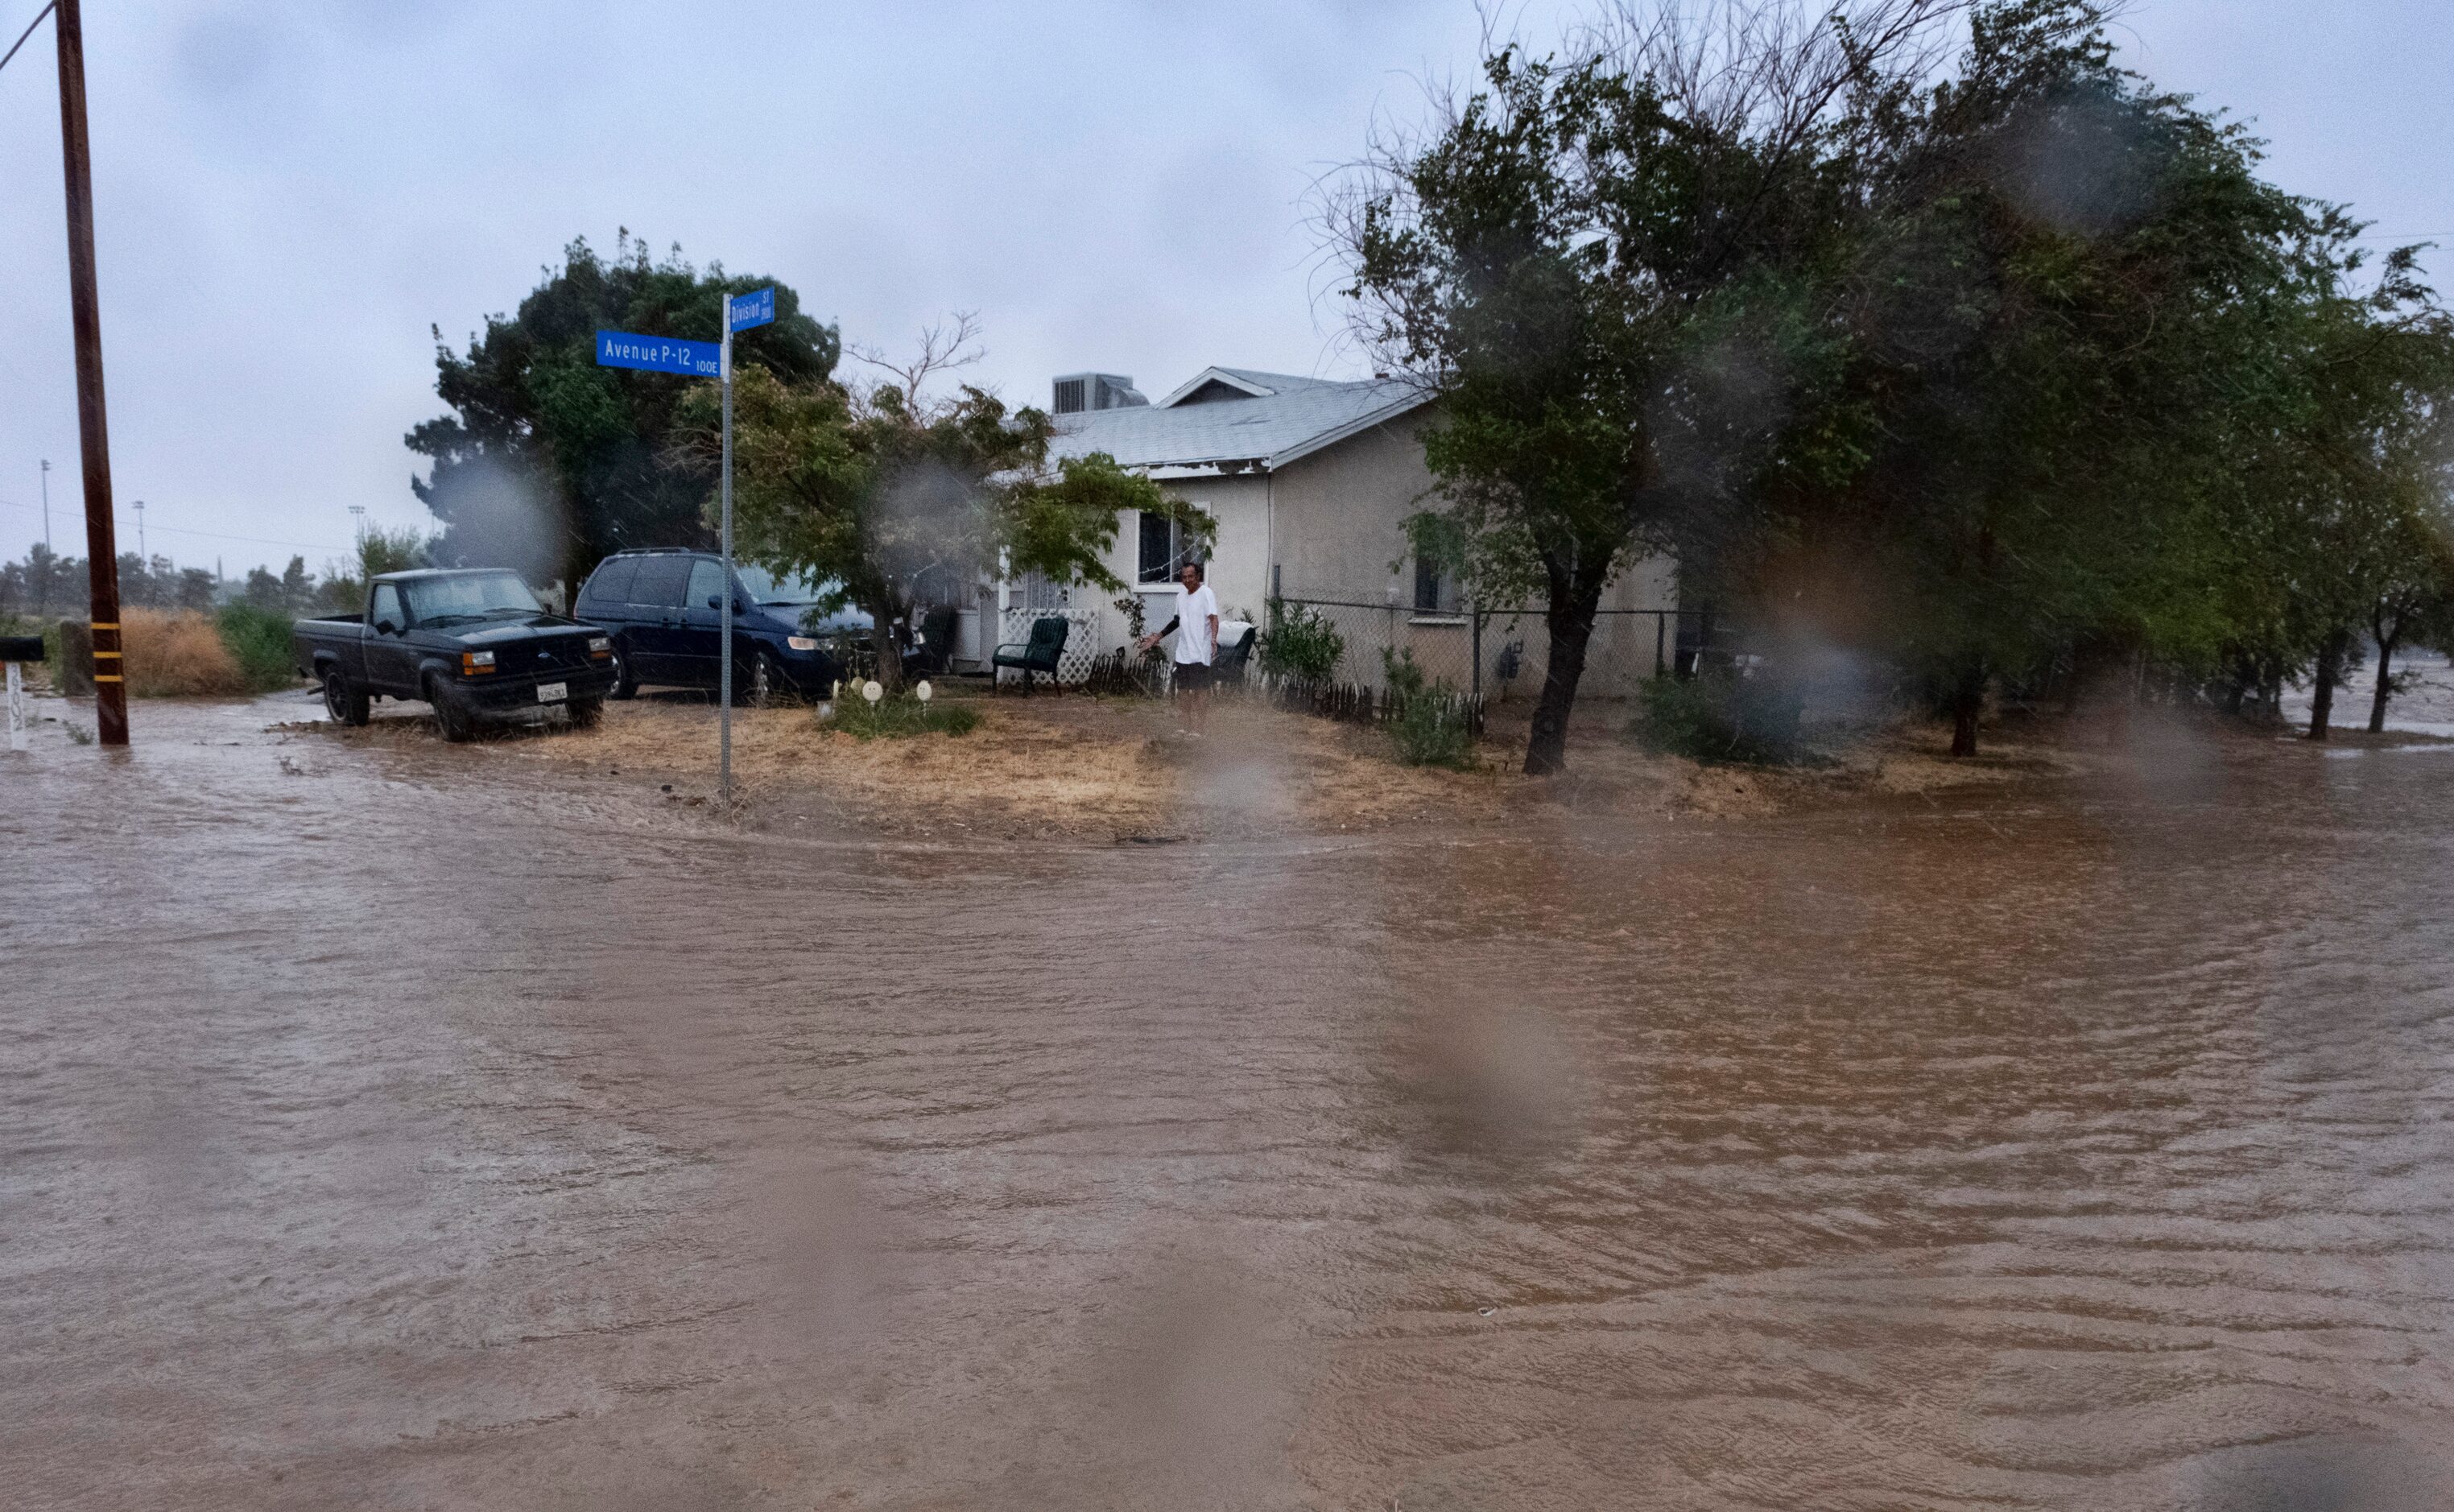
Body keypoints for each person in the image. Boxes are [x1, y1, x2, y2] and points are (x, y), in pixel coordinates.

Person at [1138, 560, 1219, 731]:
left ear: (1198, 576)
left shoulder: (1206, 593)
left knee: (1200, 690)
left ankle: (1199, 729)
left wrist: (1213, 639)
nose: (1187, 580)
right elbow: (1177, 620)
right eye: (1184, 577)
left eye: (1191, 576)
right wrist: (1158, 636)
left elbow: (1213, 618)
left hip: (1200, 651)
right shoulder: (1180, 596)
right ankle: (1184, 727)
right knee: (1182, 690)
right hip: (1184, 651)